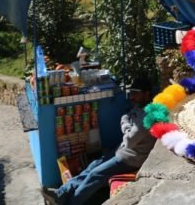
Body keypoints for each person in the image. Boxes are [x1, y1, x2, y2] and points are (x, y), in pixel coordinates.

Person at [41, 77, 156, 205]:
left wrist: (125, 124)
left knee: (95, 174)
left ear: (146, 94)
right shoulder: (139, 107)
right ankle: (60, 194)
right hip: (123, 151)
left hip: (132, 158)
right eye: (131, 92)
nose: (132, 96)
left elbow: (129, 139)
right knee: (92, 166)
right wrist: (126, 123)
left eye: (136, 92)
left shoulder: (149, 117)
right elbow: (127, 116)